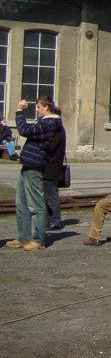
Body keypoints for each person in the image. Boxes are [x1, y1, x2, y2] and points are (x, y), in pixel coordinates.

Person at [7, 96, 63, 250]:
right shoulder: (44, 122)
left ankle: (38, 239)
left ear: (46, 107)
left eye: (38, 107)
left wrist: (19, 111)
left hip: (35, 166)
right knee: (21, 203)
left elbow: (25, 130)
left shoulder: (51, 123)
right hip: (28, 165)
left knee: (36, 204)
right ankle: (24, 237)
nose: (37, 110)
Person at [43, 107, 66, 230]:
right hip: (52, 166)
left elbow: (51, 148)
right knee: (48, 194)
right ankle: (49, 219)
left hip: (52, 166)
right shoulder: (59, 128)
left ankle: (55, 220)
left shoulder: (57, 129)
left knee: (51, 194)